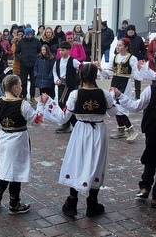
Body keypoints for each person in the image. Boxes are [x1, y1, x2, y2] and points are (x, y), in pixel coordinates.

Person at [41, 63, 117, 217]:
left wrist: (49, 102)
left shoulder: (75, 94)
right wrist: (113, 96)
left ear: (81, 76)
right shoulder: (104, 94)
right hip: (98, 131)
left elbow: (63, 118)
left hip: (81, 131)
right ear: (95, 75)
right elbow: (113, 113)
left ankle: (72, 201)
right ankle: (92, 202)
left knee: (77, 162)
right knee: (96, 163)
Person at [114, 60, 156, 209]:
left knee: (150, 157)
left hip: (152, 129)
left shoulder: (151, 89)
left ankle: (144, 187)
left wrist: (120, 96)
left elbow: (136, 106)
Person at [0, 74, 40, 215]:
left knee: (5, 167)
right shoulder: (23, 104)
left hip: (4, 137)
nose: (21, 88)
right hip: (18, 139)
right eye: (20, 85)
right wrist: (43, 106)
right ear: (15, 87)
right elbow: (36, 121)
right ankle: (14, 203)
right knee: (16, 171)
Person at [100, 38, 141, 143]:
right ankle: (121, 130)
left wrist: (140, 71)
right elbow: (109, 72)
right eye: (117, 45)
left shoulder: (132, 58)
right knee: (114, 105)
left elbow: (135, 74)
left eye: (120, 45)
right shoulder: (115, 57)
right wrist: (100, 69)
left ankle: (131, 130)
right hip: (115, 82)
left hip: (125, 83)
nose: (118, 47)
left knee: (121, 107)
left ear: (126, 47)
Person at [53, 41, 82, 134]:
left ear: (69, 50)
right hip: (61, 85)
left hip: (70, 86)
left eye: (63, 50)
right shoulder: (57, 61)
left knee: (67, 104)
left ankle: (75, 123)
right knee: (61, 103)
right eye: (60, 50)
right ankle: (66, 124)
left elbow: (81, 67)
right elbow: (54, 72)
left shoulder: (72, 60)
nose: (61, 52)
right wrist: (56, 79)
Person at [15, 27, 40, 101]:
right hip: (24, 64)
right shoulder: (21, 42)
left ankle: (32, 96)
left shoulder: (36, 41)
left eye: (30, 34)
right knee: (23, 81)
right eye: (28, 35)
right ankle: (24, 95)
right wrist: (21, 58)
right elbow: (16, 52)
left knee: (33, 81)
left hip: (33, 64)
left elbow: (40, 50)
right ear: (25, 35)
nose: (29, 36)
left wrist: (37, 57)